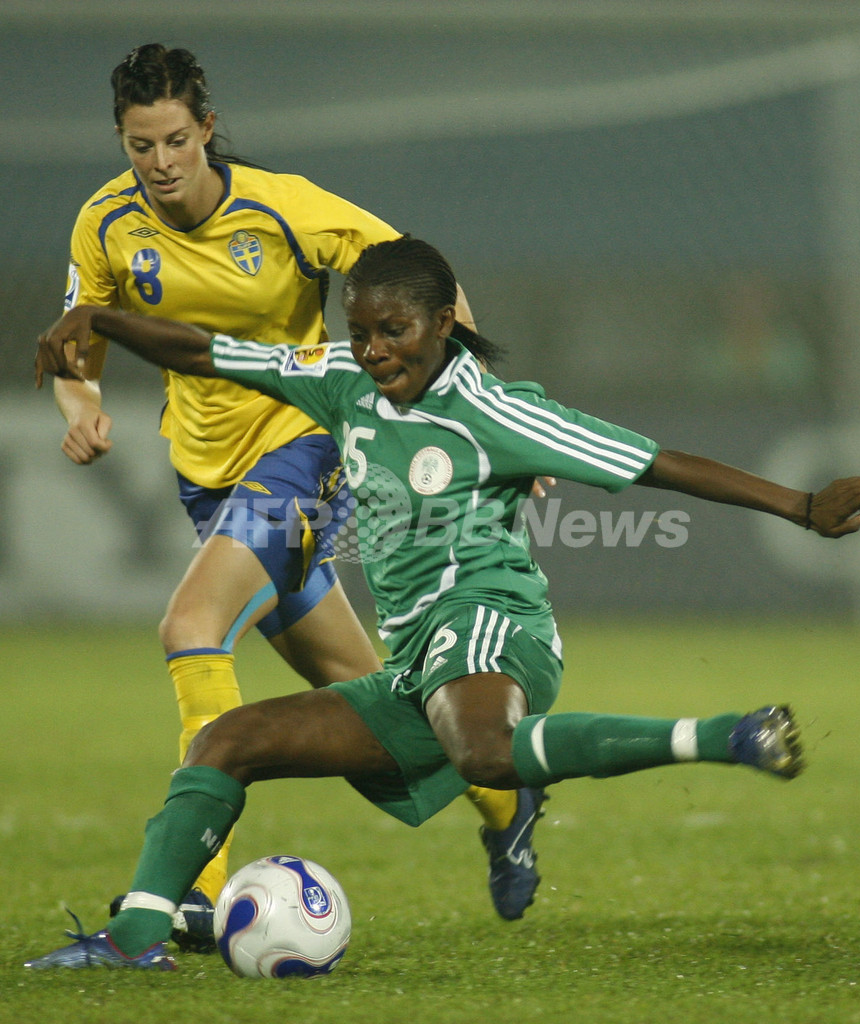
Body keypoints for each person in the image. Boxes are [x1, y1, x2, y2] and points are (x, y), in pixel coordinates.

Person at [27, 236, 860, 970]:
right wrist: (100, 322)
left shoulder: (489, 412)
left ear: (442, 324)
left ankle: (727, 735)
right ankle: (134, 936)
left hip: (496, 624)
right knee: (226, 741)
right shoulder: (340, 381)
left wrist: (799, 506)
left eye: (393, 332)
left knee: (480, 750)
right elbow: (207, 351)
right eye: (359, 332)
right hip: (416, 665)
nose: (374, 352)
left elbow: (656, 462)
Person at [52, 43, 538, 934]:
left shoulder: (283, 208)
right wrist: (78, 403)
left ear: (206, 130)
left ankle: (189, 895)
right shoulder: (105, 223)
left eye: (173, 141)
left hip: (305, 448)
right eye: (138, 146)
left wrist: (488, 411)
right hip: (206, 479)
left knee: (190, 627)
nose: (158, 164)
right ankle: (507, 802)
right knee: (369, 701)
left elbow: (424, 283)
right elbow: (76, 343)